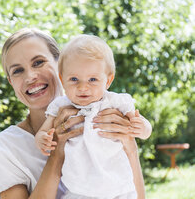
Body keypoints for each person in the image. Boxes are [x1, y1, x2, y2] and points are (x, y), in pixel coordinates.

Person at [0, 28, 152, 199]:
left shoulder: (107, 111)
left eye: (38, 62)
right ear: (11, 82)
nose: (30, 76)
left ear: (59, 64)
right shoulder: (5, 148)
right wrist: (56, 154)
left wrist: (130, 146)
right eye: (17, 71)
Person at [34, 34, 151, 199]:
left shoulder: (115, 102)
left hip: (119, 188)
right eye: (74, 79)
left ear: (108, 81)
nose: (83, 87)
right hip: (78, 191)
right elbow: (43, 131)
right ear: (62, 79)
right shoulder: (60, 106)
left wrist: (143, 128)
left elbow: (142, 127)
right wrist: (42, 139)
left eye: (93, 79)